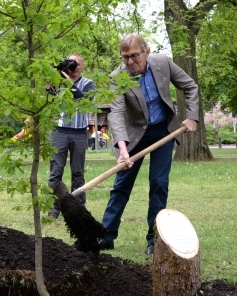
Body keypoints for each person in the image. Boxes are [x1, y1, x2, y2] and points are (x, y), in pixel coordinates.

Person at [99, 34, 199, 254]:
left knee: (158, 183)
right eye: (125, 58)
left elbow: (190, 87)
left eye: (135, 56)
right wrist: (122, 149)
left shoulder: (162, 63)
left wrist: (192, 116)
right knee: (121, 186)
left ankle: (155, 239)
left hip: (163, 131)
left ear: (147, 51)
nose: (130, 62)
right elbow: (116, 111)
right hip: (134, 136)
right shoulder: (117, 77)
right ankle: (106, 236)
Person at [47, 54, 95, 219]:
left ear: (82, 66)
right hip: (59, 131)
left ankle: (78, 207)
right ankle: (55, 207)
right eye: (70, 64)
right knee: (55, 171)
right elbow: (51, 100)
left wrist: (67, 79)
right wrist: (52, 81)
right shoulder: (59, 82)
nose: (73, 67)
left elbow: (82, 99)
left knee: (77, 172)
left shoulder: (88, 83)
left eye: (76, 64)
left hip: (79, 132)